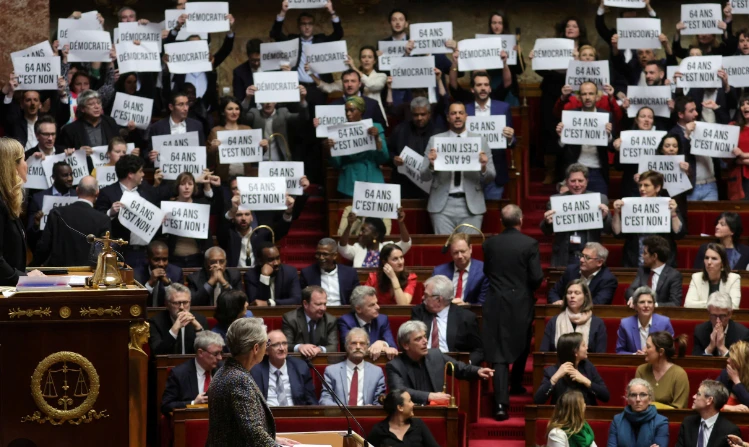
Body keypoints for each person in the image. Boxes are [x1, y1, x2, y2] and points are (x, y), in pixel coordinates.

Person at [483, 204, 543, 419]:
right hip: (520, 302)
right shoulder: (529, 244)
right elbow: (536, 277)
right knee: (522, 342)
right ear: (521, 220)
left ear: (501, 221)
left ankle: (500, 405)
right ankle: (515, 384)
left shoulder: (490, 244)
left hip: (496, 301)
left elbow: (487, 271)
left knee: (499, 353)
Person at [205, 318, 299, 446]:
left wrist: (274, 439)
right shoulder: (239, 379)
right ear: (255, 348)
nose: (266, 348)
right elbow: (253, 433)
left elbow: (238, 425)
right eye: (265, 344)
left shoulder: (224, 371)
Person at [420, 102, 495, 234]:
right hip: (442, 206)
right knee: (445, 250)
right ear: (448, 118)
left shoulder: (480, 140)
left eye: (461, 113)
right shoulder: (435, 140)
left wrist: (483, 167)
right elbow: (423, 175)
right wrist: (431, 164)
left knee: (468, 250)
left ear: (466, 116)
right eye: (453, 113)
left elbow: (491, 176)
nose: (457, 116)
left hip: (471, 205)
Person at [385, 320, 494, 405]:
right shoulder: (394, 366)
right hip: (410, 414)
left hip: (437, 411)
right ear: (405, 345)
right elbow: (399, 391)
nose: (425, 341)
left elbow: (459, 367)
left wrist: (478, 370)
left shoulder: (435, 355)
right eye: (418, 339)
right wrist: (430, 396)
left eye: (424, 336)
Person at [269, 0, 343, 108]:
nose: (307, 27)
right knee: (299, 120)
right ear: (299, 26)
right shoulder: (292, 40)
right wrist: (283, 12)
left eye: (309, 24)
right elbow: (275, 34)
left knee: (317, 120)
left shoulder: (321, 40)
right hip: (298, 87)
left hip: (318, 88)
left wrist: (331, 12)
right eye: (304, 24)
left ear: (313, 26)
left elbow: (338, 34)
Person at [94, 154, 160, 269]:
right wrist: (110, 213)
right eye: (140, 171)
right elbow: (97, 221)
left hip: (146, 253)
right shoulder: (107, 192)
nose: (143, 174)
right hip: (121, 252)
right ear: (130, 174)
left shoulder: (148, 191)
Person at [541, 164, 611, 267]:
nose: (577, 184)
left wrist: (604, 217)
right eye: (573, 181)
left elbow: (609, 230)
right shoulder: (556, 201)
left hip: (590, 257)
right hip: (565, 257)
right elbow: (546, 231)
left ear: (587, 181)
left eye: (580, 181)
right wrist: (547, 223)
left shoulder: (600, 200)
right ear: (567, 182)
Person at [612, 170, 686, 268]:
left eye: (646, 185)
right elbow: (617, 233)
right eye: (640, 185)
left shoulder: (668, 204)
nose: (642, 189)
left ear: (657, 188)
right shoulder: (632, 205)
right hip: (634, 262)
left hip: (662, 264)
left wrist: (673, 213)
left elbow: (679, 233)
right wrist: (616, 212)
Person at [35, 176, 111, 267]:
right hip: (88, 274)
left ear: (77, 190)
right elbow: (102, 252)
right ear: (97, 193)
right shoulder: (103, 219)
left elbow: (44, 246)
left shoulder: (56, 213)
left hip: (59, 273)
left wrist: (34, 265)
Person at [554, 82, 613, 195]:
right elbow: (559, 149)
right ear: (579, 97)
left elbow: (612, 147)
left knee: (600, 207)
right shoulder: (570, 115)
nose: (587, 97)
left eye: (591, 94)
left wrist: (609, 135)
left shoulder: (606, 116)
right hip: (574, 170)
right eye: (584, 94)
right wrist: (561, 136)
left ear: (597, 96)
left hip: (598, 171)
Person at [324, 96, 388, 197]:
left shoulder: (375, 127)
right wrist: (329, 149)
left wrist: (377, 139)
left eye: (352, 110)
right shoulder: (339, 132)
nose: (348, 114)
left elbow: (383, 158)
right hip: (349, 182)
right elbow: (337, 164)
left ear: (361, 111)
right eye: (346, 111)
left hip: (372, 179)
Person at [411, 275, 484, 365]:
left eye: (426, 295)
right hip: (423, 364)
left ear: (438, 300)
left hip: (454, 367)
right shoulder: (418, 312)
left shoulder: (466, 317)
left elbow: (478, 350)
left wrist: (466, 364)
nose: (422, 297)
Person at [0, 138, 44, 285]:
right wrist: (23, 278)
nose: (27, 165)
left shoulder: (7, 202)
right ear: (11, 166)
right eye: (24, 160)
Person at [219, 181, 293, 268]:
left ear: (252, 217)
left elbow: (282, 231)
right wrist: (232, 210)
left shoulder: (262, 234)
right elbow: (222, 228)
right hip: (234, 276)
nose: (243, 218)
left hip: (257, 275)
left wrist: (288, 212)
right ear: (233, 218)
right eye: (239, 215)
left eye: (247, 214)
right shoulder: (228, 236)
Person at [162, 171, 222, 268]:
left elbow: (217, 206)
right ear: (177, 187)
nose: (186, 187)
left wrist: (208, 185)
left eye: (190, 184)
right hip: (175, 259)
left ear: (194, 187)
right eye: (182, 184)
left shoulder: (201, 205)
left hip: (197, 258)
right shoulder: (169, 205)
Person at [389, 97, 446, 199]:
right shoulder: (399, 130)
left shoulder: (439, 134)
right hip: (404, 187)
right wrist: (393, 159)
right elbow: (389, 152)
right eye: (416, 115)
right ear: (411, 114)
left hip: (430, 188)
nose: (419, 118)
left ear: (429, 114)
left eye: (423, 114)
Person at [534, 333, 609, 405]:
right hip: (562, 416)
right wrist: (554, 379)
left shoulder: (588, 367)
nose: (587, 347)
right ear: (575, 352)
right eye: (583, 345)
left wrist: (585, 381)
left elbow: (605, 396)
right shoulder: (552, 371)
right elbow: (538, 401)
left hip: (587, 414)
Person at [161, 331, 224, 414]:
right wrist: (193, 403)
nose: (220, 358)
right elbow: (166, 406)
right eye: (216, 354)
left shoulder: (223, 370)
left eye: (221, 353)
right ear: (200, 353)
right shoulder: (179, 374)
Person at [320, 328, 387, 406]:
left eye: (362, 343)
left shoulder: (376, 372)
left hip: (366, 416)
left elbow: (379, 401)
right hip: (341, 416)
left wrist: (372, 408)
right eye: (354, 343)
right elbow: (325, 399)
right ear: (347, 346)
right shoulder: (332, 371)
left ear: (367, 347)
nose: (358, 347)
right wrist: (342, 410)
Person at [249, 330, 317, 406]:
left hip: (295, 414)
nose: (282, 348)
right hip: (267, 414)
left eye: (284, 344)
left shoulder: (300, 367)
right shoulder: (255, 370)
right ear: (266, 350)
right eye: (276, 345)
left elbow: (311, 401)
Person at [242, 85, 309, 162]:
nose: (268, 103)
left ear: (276, 102)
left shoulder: (282, 113)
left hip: (280, 160)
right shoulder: (255, 113)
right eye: (265, 100)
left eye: (271, 100)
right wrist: (248, 98)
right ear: (260, 102)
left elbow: (303, 118)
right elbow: (241, 118)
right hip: (259, 160)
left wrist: (302, 100)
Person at [540, 280, 607, 353]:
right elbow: (544, 352)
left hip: (587, 363)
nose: (572, 296)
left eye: (577, 293)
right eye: (569, 293)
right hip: (558, 363)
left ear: (585, 296)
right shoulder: (554, 321)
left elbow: (600, 355)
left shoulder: (597, 323)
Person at [547, 243, 618, 305]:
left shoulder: (608, 279)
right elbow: (554, 292)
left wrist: (572, 305)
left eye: (587, 257)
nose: (581, 260)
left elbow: (598, 303)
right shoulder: (571, 270)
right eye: (581, 255)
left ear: (599, 262)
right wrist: (556, 301)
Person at [337, 286, 398, 359]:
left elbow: (392, 345)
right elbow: (351, 346)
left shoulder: (382, 320)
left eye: (376, 303)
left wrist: (381, 343)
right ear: (358, 309)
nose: (378, 307)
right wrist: (382, 348)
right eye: (372, 305)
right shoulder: (345, 321)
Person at [674, 380, 741, 447]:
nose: (694, 396)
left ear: (709, 400)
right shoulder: (688, 423)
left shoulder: (729, 430)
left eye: (698, 394)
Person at [26, 161, 77, 249]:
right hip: (48, 250)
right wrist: (36, 224)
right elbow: (30, 233)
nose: (70, 178)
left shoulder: (78, 197)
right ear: (54, 177)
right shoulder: (38, 198)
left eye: (71, 174)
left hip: (72, 248)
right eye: (65, 175)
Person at [145, 91, 206, 163]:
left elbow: (202, 152)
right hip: (166, 171)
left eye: (187, 104)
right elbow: (147, 153)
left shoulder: (197, 126)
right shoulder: (157, 127)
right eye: (181, 104)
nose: (186, 108)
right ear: (171, 107)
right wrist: (151, 156)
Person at [148, 283, 208, 355]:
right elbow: (157, 353)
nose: (182, 307)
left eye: (185, 302)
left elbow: (208, 352)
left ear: (190, 302)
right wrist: (174, 329)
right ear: (167, 304)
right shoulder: (155, 322)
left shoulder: (200, 320)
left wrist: (198, 329)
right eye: (176, 303)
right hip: (167, 365)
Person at [607, 378, 670, 447]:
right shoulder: (617, 420)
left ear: (650, 399)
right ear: (628, 399)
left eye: (643, 395)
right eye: (633, 395)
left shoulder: (661, 422)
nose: (638, 399)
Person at [367, 389, 441, 447]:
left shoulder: (418, 425)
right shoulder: (379, 430)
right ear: (400, 407)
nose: (413, 404)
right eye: (409, 401)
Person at [624, 235, 683, 308]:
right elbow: (630, 290)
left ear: (654, 256)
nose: (642, 256)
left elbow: (675, 303)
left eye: (645, 253)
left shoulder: (673, 275)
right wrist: (632, 298)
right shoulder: (642, 271)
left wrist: (652, 306)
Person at [635, 331, 689, 409]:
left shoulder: (679, 374)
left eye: (648, 346)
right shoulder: (641, 370)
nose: (644, 350)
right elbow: (637, 402)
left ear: (661, 351)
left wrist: (651, 405)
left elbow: (678, 410)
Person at [339, 211, 411, 268]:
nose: (360, 233)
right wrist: (349, 225)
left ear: (375, 235)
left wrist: (401, 222)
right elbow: (342, 248)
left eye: (364, 231)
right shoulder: (358, 248)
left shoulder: (388, 247)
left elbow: (406, 243)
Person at [431, 233, 489, 305]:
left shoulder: (483, 270)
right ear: (451, 253)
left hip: (471, 314)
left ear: (470, 249)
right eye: (455, 253)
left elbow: (483, 304)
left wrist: (466, 306)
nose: (460, 256)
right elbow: (433, 300)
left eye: (462, 251)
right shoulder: (439, 272)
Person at [300, 238, 360, 306]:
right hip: (317, 314)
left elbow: (357, 299)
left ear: (335, 256)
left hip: (343, 313)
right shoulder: (307, 273)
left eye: (325, 254)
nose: (321, 258)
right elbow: (302, 299)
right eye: (318, 254)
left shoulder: (350, 273)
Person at [281, 286, 339, 357]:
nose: (323, 308)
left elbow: (334, 347)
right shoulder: (291, 319)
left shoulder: (330, 320)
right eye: (318, 304)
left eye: (325, 304)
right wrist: (299, 347)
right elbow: (285, 344)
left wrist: (320, 349)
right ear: (305, 304)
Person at [616, 286, 675, 355]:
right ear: (635, 306)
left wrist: (652, 354)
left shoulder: (664, 323)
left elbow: (670, 351)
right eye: (642, 302)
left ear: (653, 305)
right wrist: (635, 355)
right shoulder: (625, 324)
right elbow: (620, 351)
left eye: (650, 302)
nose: (646, 305)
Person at [207, 96, 255, 180]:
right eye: (230, 109)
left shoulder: (247, 129)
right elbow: (209, 158)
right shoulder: (216, 131)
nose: (234, 112)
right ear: (223, 112)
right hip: (224, 178)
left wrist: (264, 147)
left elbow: (255, 155)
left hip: (246, 177)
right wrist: (213, 148)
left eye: (237, 109)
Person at [685, 244, 742, 309]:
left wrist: (705, 304)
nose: (709, 262)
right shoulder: (696, 277)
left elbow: (734, 306)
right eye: (706, 258)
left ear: (722, 263)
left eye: (714, 259)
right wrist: (717, 303)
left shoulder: (733, 279)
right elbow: (688, 304)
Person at [245, 242, 302, 306]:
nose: (276, 263)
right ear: (260, 261)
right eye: (270, 260)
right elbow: (255, 303)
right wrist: (264, 277)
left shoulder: (290, 272)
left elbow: (297, 299)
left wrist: (270, 303)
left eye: (278, 258)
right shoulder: (251, 275)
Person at [693, 292, 749, 357]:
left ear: (730, 314)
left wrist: (722, 348)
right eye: (714, 315)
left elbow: (743, 364)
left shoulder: (742, 334)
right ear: (708, 313)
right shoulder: (700, 331)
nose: (718, 321)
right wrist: (710, 347)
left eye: (722, 316)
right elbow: (696, 363)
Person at [134, 240, 184, 308]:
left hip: (166, 316)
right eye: (156, 260)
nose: (161, 264)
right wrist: (150, 284)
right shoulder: (136, 274)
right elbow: (135, 302)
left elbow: (180, 301)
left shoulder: (176, 273)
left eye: (165, 259)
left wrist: (168, 285)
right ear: (147, 258)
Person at [717, 341, 749, 411]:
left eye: (732, 359)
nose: (728, 360)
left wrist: (737, 381)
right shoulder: (725, 374)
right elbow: (710, 399)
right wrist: (728, 407)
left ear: (741, 363)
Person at [233, 38, 262, 105]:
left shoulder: (272, 69)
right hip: (250, 112)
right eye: (253, 60)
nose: (256, 63)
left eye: (259, 60)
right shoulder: (239, 72)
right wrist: (247, 98)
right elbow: (238, 104)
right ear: (248, 56)